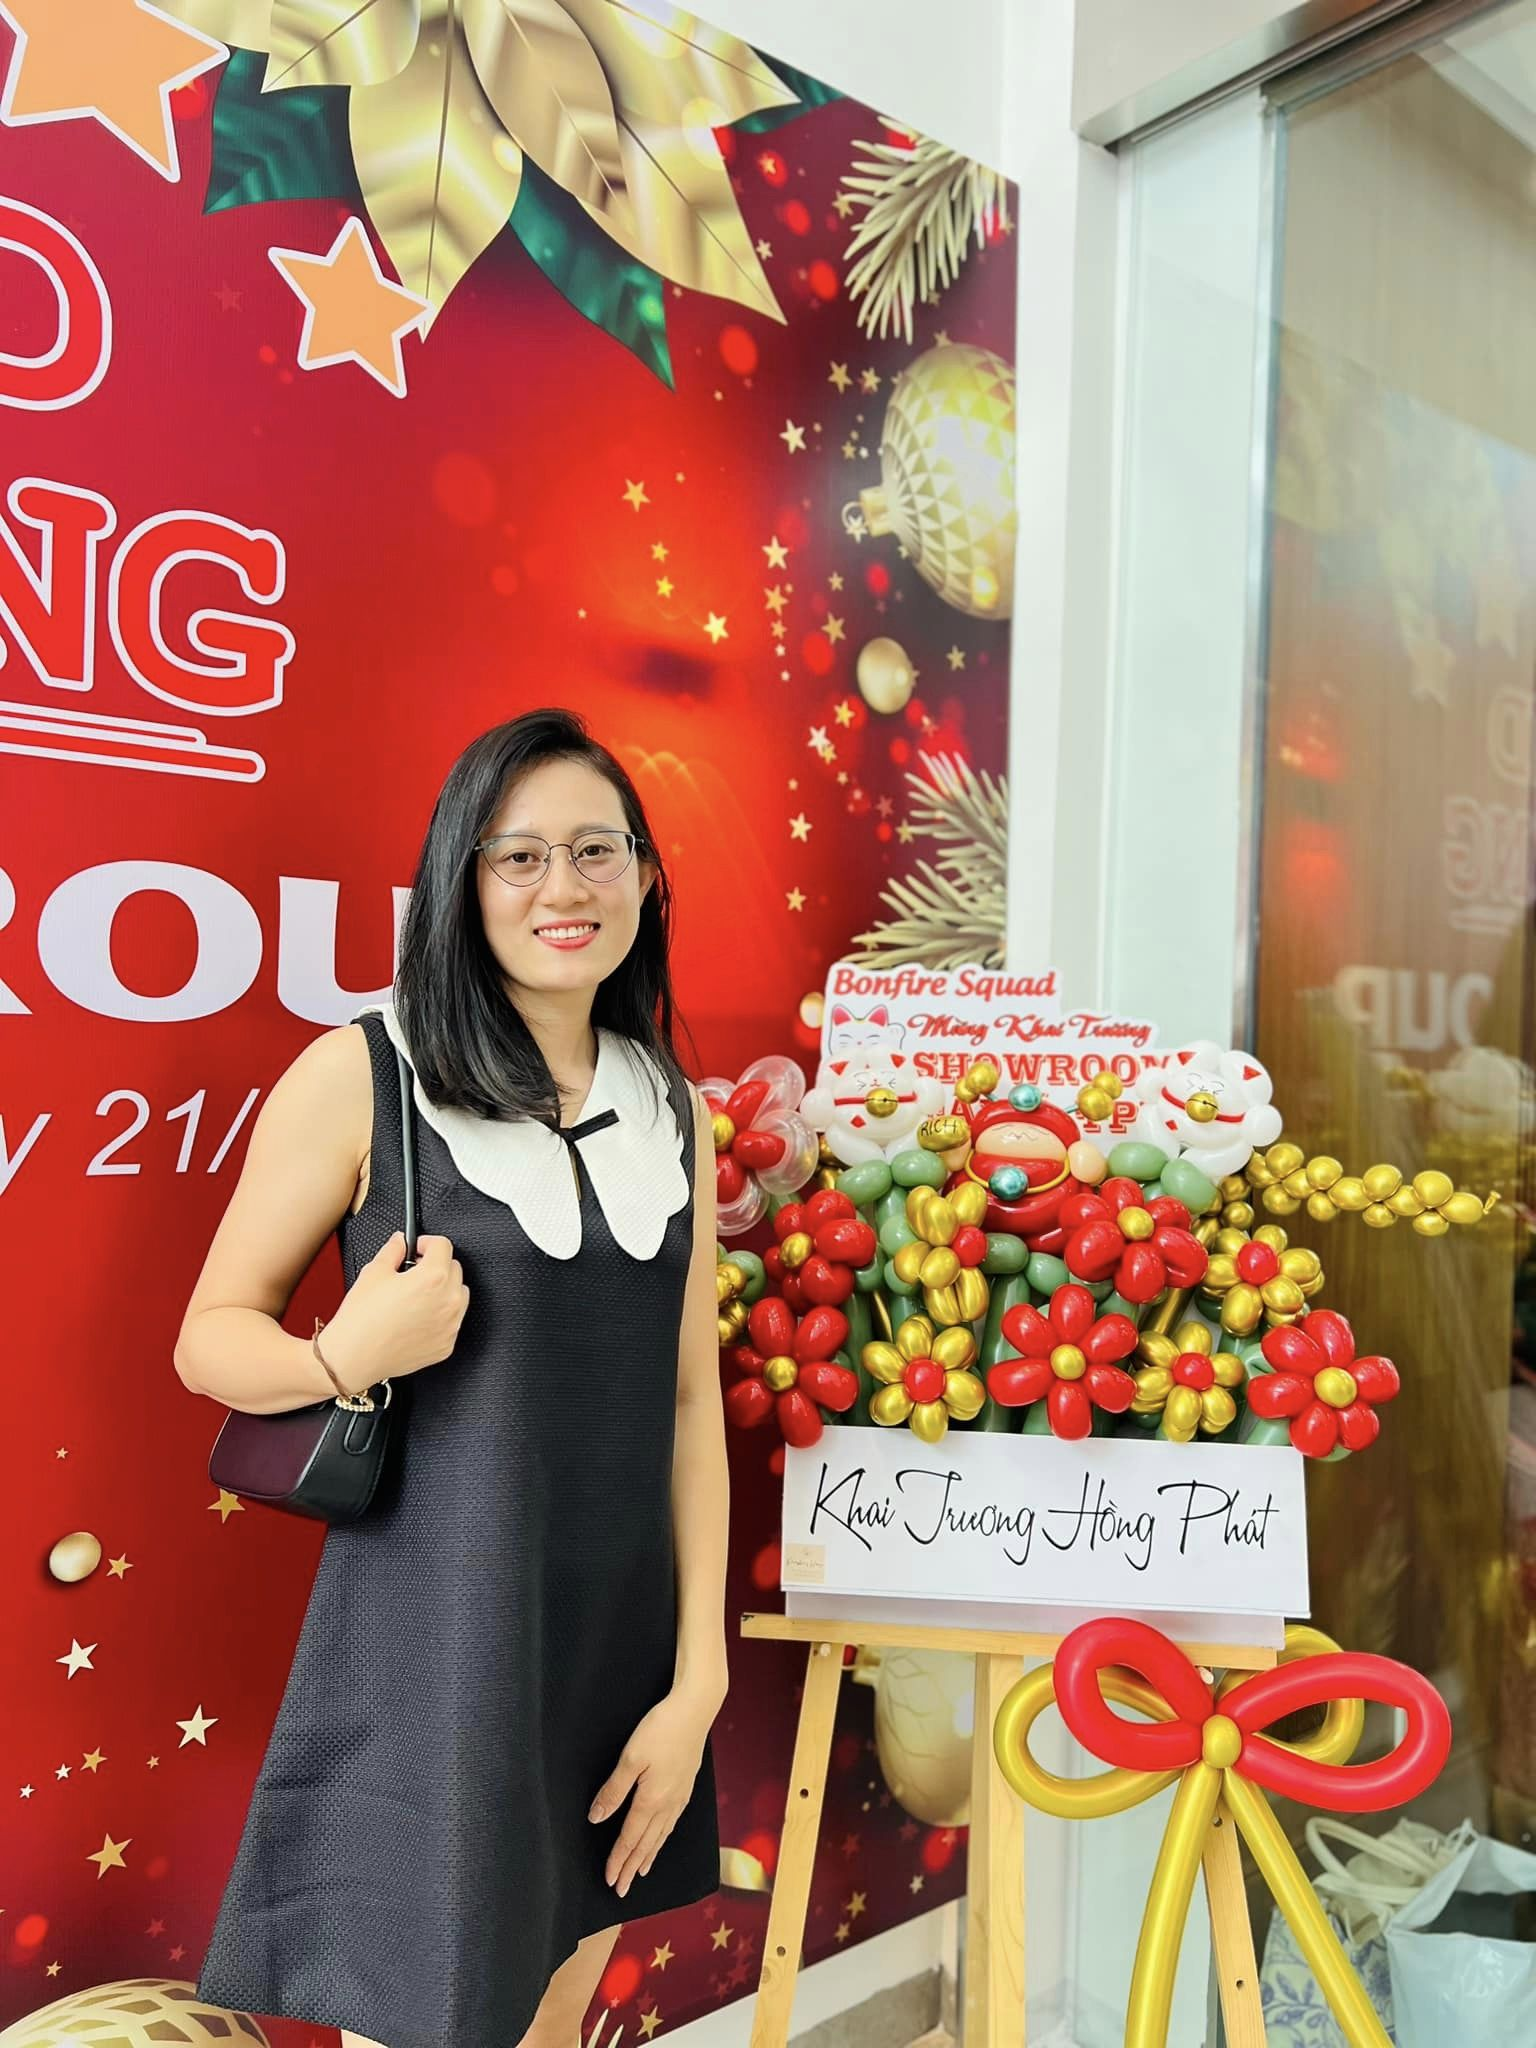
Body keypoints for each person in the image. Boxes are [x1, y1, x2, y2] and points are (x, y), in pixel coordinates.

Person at [175, 708, 728, 2048]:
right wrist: (340, 1356)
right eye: (518, 856)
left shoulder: (673, 1102)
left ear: (646, 876)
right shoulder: (365, 1071)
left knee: (557, 2013)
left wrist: (697, 1679)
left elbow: (688, 1402)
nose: (562, 888)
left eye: (596, 851)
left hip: (614, 1656)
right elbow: (208, 1338)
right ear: (460, 883)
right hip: (440, 1655)